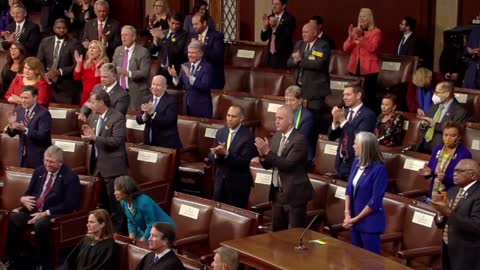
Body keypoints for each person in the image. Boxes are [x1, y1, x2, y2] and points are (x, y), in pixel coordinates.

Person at [5, 145, 80, 270]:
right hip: (34, 210)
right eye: (45, 160)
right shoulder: (39, 171)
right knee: (13, 218)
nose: (47, 164)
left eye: (51, 162)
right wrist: (22, 199)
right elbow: (29, 192)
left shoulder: (70, 177)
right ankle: (15, 258)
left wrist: (46, 213)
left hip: (55, 213)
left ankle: (44, 263)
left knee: (40, 224)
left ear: (60, 162)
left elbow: (70, 204)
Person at [255, 105, 314, 231]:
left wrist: (267, 153)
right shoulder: (276, 137)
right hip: (277, 194)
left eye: (280, 118)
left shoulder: (299, 139)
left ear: (290, 120)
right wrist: (262, 155)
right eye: (276, 118)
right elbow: (269, 165)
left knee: (294, 235)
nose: (276, 121)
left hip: (294, 195)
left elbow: (288, 165)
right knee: (277, 233)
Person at [81, 89, 128, 233]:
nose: (90, 104)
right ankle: (103, 231)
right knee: (101, 203)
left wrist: (95, 138)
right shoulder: (94, 116)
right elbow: (94, 138)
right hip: (97, 166)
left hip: (113, 167)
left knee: (115, 206)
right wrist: (90, 139)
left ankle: (118, 235)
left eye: (93, 102)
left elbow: (117, 141)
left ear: (102, 102)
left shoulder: (117, 117)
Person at [342, 132, 388, 254]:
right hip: (353, 221)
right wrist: (347, 213)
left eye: (355, 143)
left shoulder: (379, 169)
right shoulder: (356, 163)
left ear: (364, 147)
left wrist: (356, 219)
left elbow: (375, 201)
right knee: (356, 259)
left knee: (370, 263)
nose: (352, 146)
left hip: (369, 224)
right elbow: (349, 189)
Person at [431, 159, 480, 270]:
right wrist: (440, 213)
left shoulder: (478, 194)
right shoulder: (452, 191)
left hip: (467, 254)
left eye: (459, 171)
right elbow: (440, 224)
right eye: (454, 171)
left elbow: (476, 226)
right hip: (448, 248)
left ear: (472, 175)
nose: (454, 174)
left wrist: (448, 212)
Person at [287, 22, 330, 135]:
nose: (303, 34)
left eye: (306, 32)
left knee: (313, 123)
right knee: (298, 121)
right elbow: (290, 62)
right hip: (299, 89)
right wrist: (297, 60)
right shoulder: (299, 44)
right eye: (302, 32)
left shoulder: (322, 45)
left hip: (315, 92)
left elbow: (317, 64)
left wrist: (300, 60)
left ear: (315, 32)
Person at [209, 105, 256, 208]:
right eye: (228, 115)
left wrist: (227, 154)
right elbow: (211, 155)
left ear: (241, 118)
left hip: (238, 184)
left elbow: (244, 162)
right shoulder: (221, 132)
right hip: (220, 182)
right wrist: (216, 154)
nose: (229, 119)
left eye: (233, 116)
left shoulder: (248, 136)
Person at [328, 83, 376, 180]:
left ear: (358, 95)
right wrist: (335, 122)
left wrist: (343, 121)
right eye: (344, 95)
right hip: (340, 162)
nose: (344, 98)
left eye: (348, 94)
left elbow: (360, 137)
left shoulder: (368, 115)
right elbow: (331, 137)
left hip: (356, 163)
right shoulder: (344, 112)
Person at [419, 121, 472, 199]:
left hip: (451, 194)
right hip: (433, 192)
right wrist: (429, 172)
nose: (448, 138)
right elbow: (431, 169)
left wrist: (445, 177)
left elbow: (463, 178)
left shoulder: (465, 154)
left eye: (453, 135)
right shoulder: (437, 149)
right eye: (446, 135)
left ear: (459, 137)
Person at [37, 18, 85, 104]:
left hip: (66, 88)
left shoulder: (74, 44)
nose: (61, 30)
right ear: (54, 28)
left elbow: (77, 65)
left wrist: (59, 72)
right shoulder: (45, 42)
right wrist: (44, 74)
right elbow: (39, 61)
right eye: (58, 28)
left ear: (67, 29)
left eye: (64, 28)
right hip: (47, 84)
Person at [343, 8, 382, 111]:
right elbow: (345, 48)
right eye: (360, 16)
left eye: (364, 16)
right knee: (353, 95)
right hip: (354, 68)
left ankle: (368, 118)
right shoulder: (355, 30)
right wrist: (350, 37)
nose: (361, 18)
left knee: (368, 97)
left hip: (369, 70)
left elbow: (372, 48)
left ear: (369, 18)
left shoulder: (376, 32)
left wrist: (361, 38)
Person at [114, 175, 175, 241]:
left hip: (163, 231)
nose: (115, 193)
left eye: (118, 190)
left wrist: (141, 242)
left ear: (127, 189)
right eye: (115, 190)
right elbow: (130, 221)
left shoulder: (144, 202)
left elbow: (151, 224)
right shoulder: (123, 202)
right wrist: (131, 241)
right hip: (148, 230)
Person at [6, 85, 52, 168]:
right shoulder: (19, 110)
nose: (23, 101)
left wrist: (25, 129)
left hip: (38, 156)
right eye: (22, 97)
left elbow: (43, 135)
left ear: (35, 98)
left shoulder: (44, 113)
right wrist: (11, 125)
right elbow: (12, 134)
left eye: (26, 98)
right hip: (22, 155)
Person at [417, 81, 467, 154]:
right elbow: (427, 121)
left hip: (441, 148)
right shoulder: (435, 105)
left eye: (437, 92)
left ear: (446, 94)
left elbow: (454, 132)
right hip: (423, 145)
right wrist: (424, 123)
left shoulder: (460, 111)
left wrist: (434, 124)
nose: (434, 95)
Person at [168, 40, 214, 118]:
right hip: (187, 106)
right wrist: (175, 77)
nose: (190, 55)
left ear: (201, 54)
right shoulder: (185, 66)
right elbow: (180, 85)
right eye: (189, 52)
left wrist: (191, 77)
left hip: (202, 108)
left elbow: (205, 86)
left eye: (193, 53)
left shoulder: (207, 67)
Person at [136, 75, 181, 149]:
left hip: (166, 144)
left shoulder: (172, 100)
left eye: (158, 85)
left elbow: (168, 122)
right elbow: (138, 120)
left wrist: (152, 113)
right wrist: (145, 115)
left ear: (165, 87)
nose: (154, 87)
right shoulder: (146, 98)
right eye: (153, 84)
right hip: (149, 142)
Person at [112, 25, 151, 109]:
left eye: (126, 35)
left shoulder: (143, 52)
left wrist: (128, 73)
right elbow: (113, 67)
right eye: (122, 35)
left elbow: (144, 72)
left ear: (133, 37)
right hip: (119, 92)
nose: (123, 37)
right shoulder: (118, 50)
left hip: (136, 92)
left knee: (133, 118)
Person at [188, 12, 225, 89]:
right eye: (193, 24)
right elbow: (186, 53)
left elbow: (218, 56)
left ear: (204, 23)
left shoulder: (216, 36)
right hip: (195, 76)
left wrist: (201, 45)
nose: (194, 27)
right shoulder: (192, 35)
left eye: (196, 24)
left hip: (212, 77)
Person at [149, 12, 187, 85]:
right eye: (172, 23)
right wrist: (155, 42)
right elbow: (151, 51)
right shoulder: (163, 32)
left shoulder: (183, 35)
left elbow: (176, 50)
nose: (175, 26)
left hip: (174, 70)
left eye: (177, 24)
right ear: (168, 21)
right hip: (160, 68)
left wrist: (163, 38)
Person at [260, 0, 296, 69]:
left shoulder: (289, 18)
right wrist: (265, 27)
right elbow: (263, 38)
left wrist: (275, 27)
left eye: (277, 4)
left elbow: (287, 36)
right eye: (273, 4)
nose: (273, 6)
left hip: (283, 55)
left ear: (283, 6)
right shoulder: (269, 17)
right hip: (270, 55)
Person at [283, 86, 315, 162]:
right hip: (287, 151)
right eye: (286, 100)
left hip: (302, 154)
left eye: (291, 100)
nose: (288, 103)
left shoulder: (307, 117)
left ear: (300, 100)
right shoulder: (284, 113)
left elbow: (300, 139)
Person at [73, 39, 109, 105]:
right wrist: (78, 63)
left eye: (94, 48)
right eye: (90, 48)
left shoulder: (105, 65)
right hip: (85, 97)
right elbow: (77, 77)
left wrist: (97, 69)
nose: (91, 50)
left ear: (100, 52)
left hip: (98, 97)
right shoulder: (86, 63)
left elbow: (98, 83)